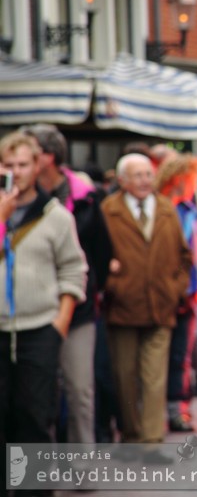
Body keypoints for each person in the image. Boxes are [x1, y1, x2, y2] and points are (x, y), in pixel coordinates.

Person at [0, 131, 86, 484]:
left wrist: (60, 323)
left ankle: (34, 490)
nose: (16, 172)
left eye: (23, 164)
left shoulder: (55, 215)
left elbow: (74, 269)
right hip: (1, 330)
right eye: (8, 164)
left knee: (35, 417)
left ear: (38, 166)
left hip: (40, 328)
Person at [20, 124, 112, 446]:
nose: (18, 166)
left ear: (45, 158)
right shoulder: (12, 202)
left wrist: (77, 298)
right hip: (32, 311)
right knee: (36, 393)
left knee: (79, 389)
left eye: (26, 157)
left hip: (77, 308)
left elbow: (100, 253)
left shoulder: (83, 196)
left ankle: (82, 462)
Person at [101, 154, 191, 444]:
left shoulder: (166, 208)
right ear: (122, 180)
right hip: (123, 308)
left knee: (154, 378)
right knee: (125, 377)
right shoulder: (108, 210)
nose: (144, 180)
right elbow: (96, 255)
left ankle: (152, 441)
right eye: (137, 175)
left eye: (147, 174)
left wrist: (176, 287)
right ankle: (131, 432)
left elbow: (184, 257)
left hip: (160, 305)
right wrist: (113, 283)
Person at [155, 155, 197, 432]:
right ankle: (157, 409)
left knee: (181, 353)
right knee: (160, 353)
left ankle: (178, 407)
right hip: (160, 294)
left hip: (188, 294)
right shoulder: (160, 209)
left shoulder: (195, 215)